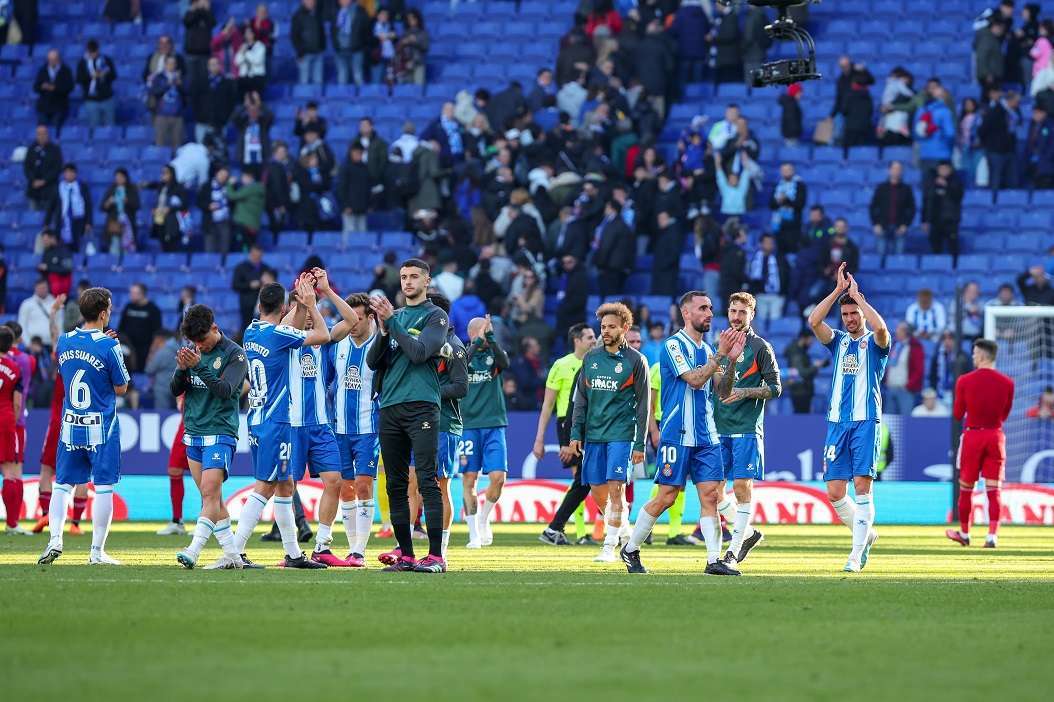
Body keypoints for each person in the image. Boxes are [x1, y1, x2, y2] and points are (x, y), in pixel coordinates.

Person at [620, 292, 742, 575]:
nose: (710, 313)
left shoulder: (709, 349)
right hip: (677, 433)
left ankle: (713, 561)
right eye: (702, 308)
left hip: (707, 435)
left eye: (711, 307)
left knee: (711, 495)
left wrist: (731, 361)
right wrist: (722, 355)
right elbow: (696, 381)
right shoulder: (674, 345)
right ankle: (630, 549)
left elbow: (722, 392)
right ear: (686, 313)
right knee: (667, 496)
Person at [231, 279, 329, 569]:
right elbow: (322, 335)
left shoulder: (251, 332)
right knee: (265, 486)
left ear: (260, 305)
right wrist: (310, 304)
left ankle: (294, 554)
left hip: (257, 416)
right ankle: (234, 551)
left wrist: (298, 304)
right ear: (283, 307)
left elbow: (292, 329)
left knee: (285, 485)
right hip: (277, 419)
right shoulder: (279, 334)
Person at [366, 260, 450, 573]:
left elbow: (419, 353)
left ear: (427, 280)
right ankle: (406, 555)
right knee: (395, 485)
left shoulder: (435, 315)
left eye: (414, 276)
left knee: (427, 480)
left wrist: (394, 325)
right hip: (390, 406)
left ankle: (436, 556)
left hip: (422, 405)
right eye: (403, 277)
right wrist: (384, 330)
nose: (407, 281)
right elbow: (375, 362)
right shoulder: (395, 317)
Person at [807, 263, 890, 573]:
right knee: (834, 492)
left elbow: (881, 329)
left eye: (854, 314)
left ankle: (854, 556)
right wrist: (838, 292)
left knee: (862, 486)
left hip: (866, 421)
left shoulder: (876, 344)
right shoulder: (838, 342)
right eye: (846, 315)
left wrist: (858, 297)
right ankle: (866, 535)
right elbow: (814, 320)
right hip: (836, 423)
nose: (850, 319)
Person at [38, 287, 130, 565]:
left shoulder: (64, 341)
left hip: (70, 425)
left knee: (62, 484)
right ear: (103, 313)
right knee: (103, 486)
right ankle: (96, 552)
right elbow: (121, 387)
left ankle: (55, 539)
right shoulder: (109, 345)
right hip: (100, 426)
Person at [285, 270, 359, 567]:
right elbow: (284, 324)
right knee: (284, 486)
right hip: (291, 424)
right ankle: (291, 550)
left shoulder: (321, 340)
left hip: (320, 424)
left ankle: (322, 545)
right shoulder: (282, 337)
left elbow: (353, 320)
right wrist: (302, 301)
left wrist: (325, 292)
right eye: (300, 308)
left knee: (335, 480)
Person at [569, 302, 650, 565]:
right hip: (594, 434)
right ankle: (625, 533)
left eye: (611, 326)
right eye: (603, 326)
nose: (605, 331)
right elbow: (581, 399)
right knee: (598, 491)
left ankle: (608, 546)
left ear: (624, 328)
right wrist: (575, 432)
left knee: (616, 489)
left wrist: (640, 444)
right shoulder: (591, 358)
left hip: (621, 434)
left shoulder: (636, 361)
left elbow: (643, 405)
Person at [170, 304, 250, 569]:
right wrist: (182, 369)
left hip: (220, 431)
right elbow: (175, 390)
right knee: (212, 499)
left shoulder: (235, 355)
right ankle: (233, 556)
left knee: (209, 492)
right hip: (193, 432)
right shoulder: (193, 351)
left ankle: (193, 550)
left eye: (202, 340)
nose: (199, 346)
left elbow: (226, 390)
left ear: (215, 328)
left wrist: (199, 368)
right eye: (194, 342)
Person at [714, 293, 782, 569]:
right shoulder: (720, 344)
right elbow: (719, 388)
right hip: (718, 427)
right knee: (713, 492)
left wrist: (744, 392)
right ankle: (749, 533)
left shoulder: (761, 347)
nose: (737, 316)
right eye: (733, 311)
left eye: (743, 312)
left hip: (746, 428)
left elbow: (776, 388)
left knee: (741, 487)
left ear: (752, 315)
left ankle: (732, 553)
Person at [947, 339, 1015, 549]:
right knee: (994, 490)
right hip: (995, 436)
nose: (973, 357)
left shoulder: (965, 381)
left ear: (983, 356)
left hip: (973, 436)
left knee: (966, 488)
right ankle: (992, 536)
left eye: (975, 353)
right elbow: (1004, 415)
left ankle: (965, 534)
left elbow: (958, 414)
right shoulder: (1008, 383)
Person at [537, 323, 598, 546]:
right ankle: (578, 532)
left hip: (590, 427)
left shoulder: (596, 364)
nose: (594, 340)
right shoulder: (562, 365)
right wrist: (544, 439)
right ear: (577, 340)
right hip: (570, 426)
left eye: (594, 337)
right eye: (589, 337)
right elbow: (548, 406)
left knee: (583, 481)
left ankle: (562, 529)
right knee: (582, 481)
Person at [460, 315, 510, 549]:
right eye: (485, 330)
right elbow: (459, 366)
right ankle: (473, 535)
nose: (489, 334)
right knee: (469, 480)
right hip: (468, 426)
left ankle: (484, 517)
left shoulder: (494, 356)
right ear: (473, 333)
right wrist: (477, 342)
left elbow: (505, 362)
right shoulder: (462, 353)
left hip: (494, 424)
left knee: (498, 478)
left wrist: (489, 337)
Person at [427, 292, 467, 558]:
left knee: (441, 483)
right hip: (419, 422)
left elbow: (461, 387)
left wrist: (429, 392)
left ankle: (440, 550)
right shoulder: (424, 343)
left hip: (445, 424)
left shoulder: (454, 346)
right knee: (413, 482)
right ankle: (404, 545)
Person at [0, 326, 26, 534]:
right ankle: (11, 525)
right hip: (5, 420)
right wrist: (13, 421)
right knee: (9, 472)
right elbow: (17, 403)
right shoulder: (14, 368)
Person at [868, 161, 916, 260]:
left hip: (900, 227)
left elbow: (912, 209)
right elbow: (873, 207)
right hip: (882, 226)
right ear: (889, 170)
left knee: (898, 258)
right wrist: (875, 224)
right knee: (880, 258)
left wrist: (905, 225)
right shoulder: (881, 188)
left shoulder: (907, 189)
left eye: (899, 169)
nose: (897, 171)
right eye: (894, 169)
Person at [117, 283, 162, 374]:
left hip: (145, 348)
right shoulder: (128, 307)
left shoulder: (153, 309)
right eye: (131, 293)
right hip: (128, 347)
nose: (131, 295)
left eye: (134, 293)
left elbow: (157, 332)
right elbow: (121, 328)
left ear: (142, 294)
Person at [49, 163, 93, 252]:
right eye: (66, 172)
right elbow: (51, 205)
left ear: (75, 174)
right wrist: (47, 221)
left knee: (76, 244)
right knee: (61, 246)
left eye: (71, 172)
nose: (69, 174)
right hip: (62, 220)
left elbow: (88, 204)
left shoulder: (81, 186)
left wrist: (89, 222)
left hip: (78, 219)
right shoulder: (59, 187)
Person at [883, 322, 925, 415]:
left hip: (905, 390)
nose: (896, 331)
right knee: (890, 421)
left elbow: (919, 371)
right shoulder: (894, 345)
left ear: (906, 332)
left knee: (905, 419)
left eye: (899, 329)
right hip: (890, 388)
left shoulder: (915, 347)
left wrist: (908, 386)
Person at [232, 244, 276, 330]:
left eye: (259, 256)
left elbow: (273, 281)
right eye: (255, 255)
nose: (257, 258)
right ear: (250, 254)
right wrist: (249, 285)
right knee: (247, 327)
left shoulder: (266, 268)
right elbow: (235, 285)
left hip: (264, 302)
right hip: (247, 303)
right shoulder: (241, 268)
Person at [76, 39, 117, 128]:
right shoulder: (82, 63)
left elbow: (114, 76)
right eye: (91, 52)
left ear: (98, 50)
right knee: (94, 128)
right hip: (91, 100)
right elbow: (79, 79)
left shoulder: (106, 60)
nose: (93, 54)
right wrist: (91, 76)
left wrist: (104, 74)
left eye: (94, 52)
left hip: (107, 98)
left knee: (110, 127)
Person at [33, 49, 74, 136]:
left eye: (53, 59)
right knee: (41, 129)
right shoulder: (43, 70)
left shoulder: (65, 71)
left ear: (58, 59)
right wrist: (42, 87)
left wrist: (55, 88)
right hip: (44, 106)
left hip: (59, 106)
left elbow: (70, 87)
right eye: (50, 60)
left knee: (56, 130)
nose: (51, 62)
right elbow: (36, 87)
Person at [149, 56, 186, 149]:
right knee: (160, 144)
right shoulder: (158, 77)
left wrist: (180, 85)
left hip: (177, 116)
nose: (171, 65)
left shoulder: (181, 78)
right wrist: (167, 85)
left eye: (173, 63)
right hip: (162, 115)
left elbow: (187, 93)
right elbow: (154, 92)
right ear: (165, 65)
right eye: (169, 63)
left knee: (177, 146)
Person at [24, 125, 62, 212]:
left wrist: (44, 181)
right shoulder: (31, 149)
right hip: (33, 190)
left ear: (47, 134)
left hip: (50, 190)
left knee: (48, 218)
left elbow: (57, 168)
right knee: (33, 219)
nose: (41, 136)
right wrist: (33, 180)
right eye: (39, 134)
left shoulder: (55, 149)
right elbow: (27, 167)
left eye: (43, 133)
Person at [784, 331, 823, 414]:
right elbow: (801, 373)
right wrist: (815, 367)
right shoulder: (796, 353)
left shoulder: (801, 351)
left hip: (802, 390)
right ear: (803, 339)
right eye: (810, 341)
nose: (811, 344)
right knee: (801, 419)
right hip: (800, 391)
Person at [197, 165, 231, 256]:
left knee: (224, 249)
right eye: (221, 175)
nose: (223, 178)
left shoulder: (229, 187)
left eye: (225, 176)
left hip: (225, 222)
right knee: (210, 250)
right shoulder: (206, 186)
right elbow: (199, 202)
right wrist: (208, 206)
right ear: (216, 174)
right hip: (210, 222)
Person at [291, 0, 325, 85]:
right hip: (305, 54)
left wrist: (322, 46)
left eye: (312, 0)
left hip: (318, 52)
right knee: (304, 82)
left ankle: (317, 98)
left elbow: (321, 32)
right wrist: (300, 51)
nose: (311, 2)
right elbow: (294, 36)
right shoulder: (297, 16)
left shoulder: (318, 13)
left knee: (318, 82)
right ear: (303, 1)